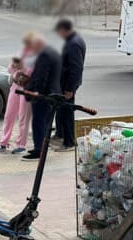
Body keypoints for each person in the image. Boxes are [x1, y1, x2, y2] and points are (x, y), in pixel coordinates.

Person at [0, 32, 37, 154]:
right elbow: (9, 69)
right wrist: (13, 65)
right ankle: (3, 142)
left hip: (26, 88)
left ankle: (21, 144)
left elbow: (30, 73)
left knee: (23, 117)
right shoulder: (20, 52)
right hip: (15, 86)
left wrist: (21, 68)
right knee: (9, 115)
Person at [22, 33, 61, 161]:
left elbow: (41, 76)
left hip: (43, 96)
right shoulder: (53, 52)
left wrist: (36, 92)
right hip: (52, 94)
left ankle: (39, 150)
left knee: (38, 122)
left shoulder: (44, 55)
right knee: (45, 123)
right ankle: (41, 147)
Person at [53, 19, 86, 152]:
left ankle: (69, 142)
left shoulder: (74, 44)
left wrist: (69, 89)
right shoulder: (71, 40)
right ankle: (60, 134)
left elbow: (76, 68)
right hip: (63, 83)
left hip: (67, 85)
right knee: (60, 109)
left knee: (66, 111)